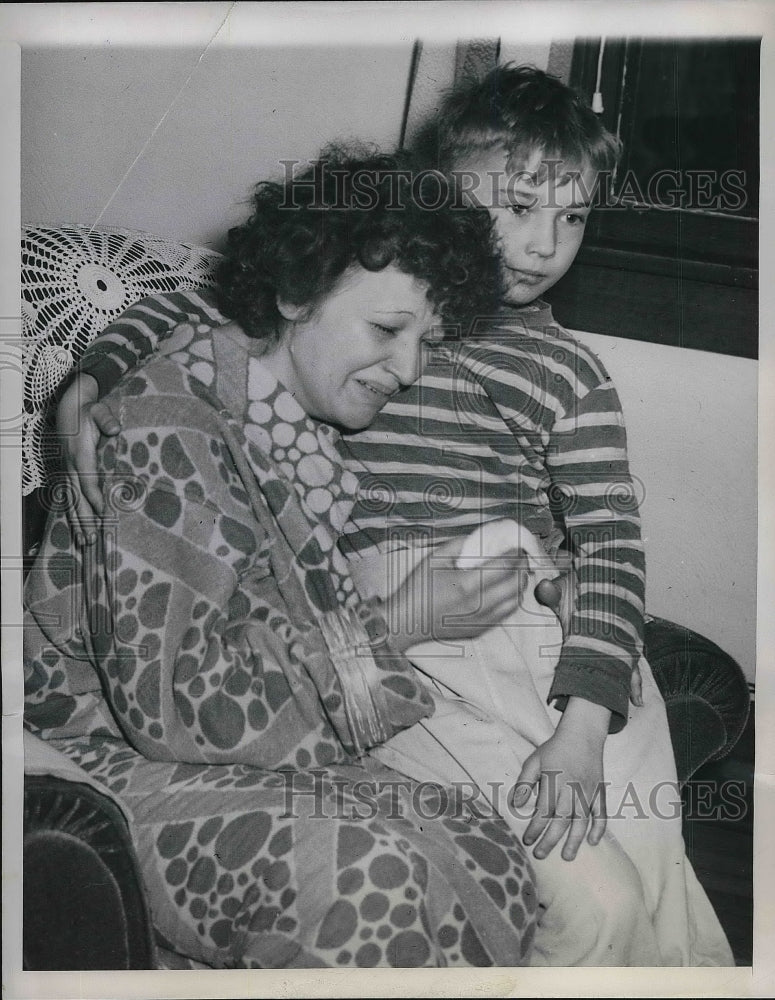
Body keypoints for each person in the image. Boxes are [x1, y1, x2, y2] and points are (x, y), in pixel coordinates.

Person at [47, 66, 733, 965]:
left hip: (502, 611)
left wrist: (578, 689)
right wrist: (87, 381)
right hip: (391, 621)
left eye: (572, 217)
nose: (543, 244)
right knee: (590, 895)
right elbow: (196, 306)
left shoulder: (560, 370)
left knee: (648, 865)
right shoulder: (338, 317)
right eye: (520, 207)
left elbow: (608, 536)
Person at [24, 148, 542, 969]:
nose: (408, 370)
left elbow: (320, 707)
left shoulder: (297, 441)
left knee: (485, 850)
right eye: (386, 330)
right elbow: (174, 712)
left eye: (427, 342)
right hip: (91, 763)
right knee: (368, 872)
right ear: (296, 293)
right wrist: (401, 622)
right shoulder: (169, 422)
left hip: (233, 758)